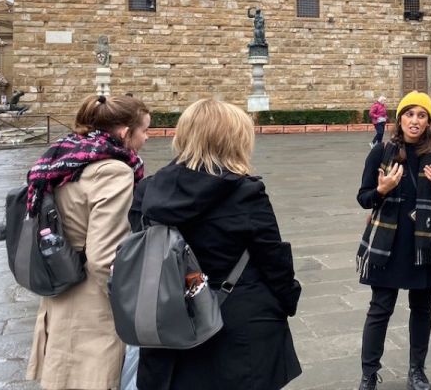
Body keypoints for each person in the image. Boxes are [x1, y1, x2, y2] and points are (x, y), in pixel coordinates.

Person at [132, 98, 302, 389]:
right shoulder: (245, 192)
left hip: (169, 321)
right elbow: (273, 259)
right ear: (234, 140)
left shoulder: (148, 189)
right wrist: (288, 299)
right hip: (237, 324)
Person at [27, 94, 151, 390]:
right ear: (124, 133)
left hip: (61, 284)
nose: (146, 138)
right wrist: (134, 307)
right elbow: (105, 256)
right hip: (91, 302)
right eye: (144, 130)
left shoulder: (61, 157)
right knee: (92, 378)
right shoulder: (113, 170)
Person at [355, 92, 431, 390]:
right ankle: (369, 374)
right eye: (409, 114)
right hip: (389, 242)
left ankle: (417, 371)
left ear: (429, 121)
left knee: (422, 307)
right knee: (380, 308)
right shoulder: (381, 152)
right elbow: (363, 198)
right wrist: (382, 190)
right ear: (399, 118)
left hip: (425, 242)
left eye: (421, 115)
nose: (415, 121)